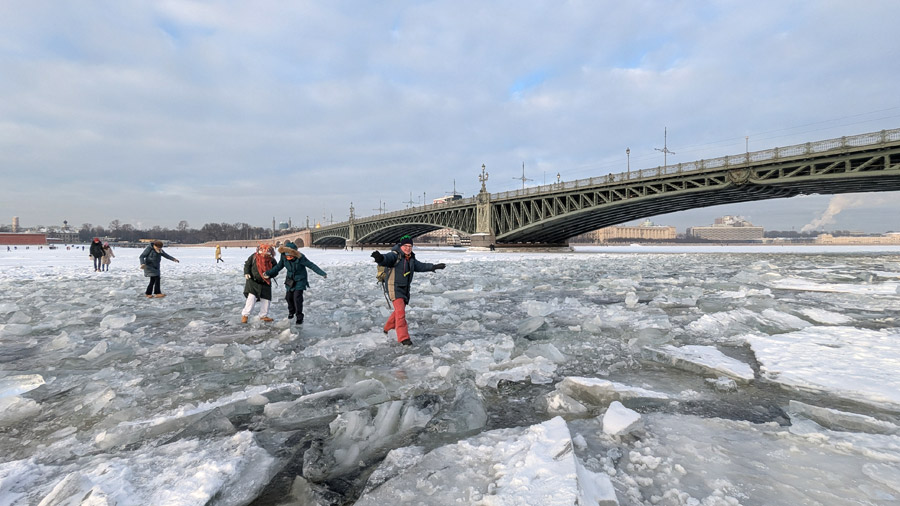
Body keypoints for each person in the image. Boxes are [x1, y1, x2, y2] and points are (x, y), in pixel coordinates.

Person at [371, 235, 445, 346]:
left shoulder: (411, 258)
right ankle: (404, 338)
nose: (408, 248)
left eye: (410, 246)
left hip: (405, 288)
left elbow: (420, 266)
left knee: (398, 311)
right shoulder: (395, 255)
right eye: (405, 246)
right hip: (394, 287)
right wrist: (380, 258)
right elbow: (386, 259)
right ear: (401, 246)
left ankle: (387, 329)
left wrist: (433, 267)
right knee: (400, 312)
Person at [265, 241, 326, 324]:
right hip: (290, 280)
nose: (288, 257)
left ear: (294, 254)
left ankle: (299, 317)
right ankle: (291, 312)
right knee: (288, 297)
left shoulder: (301, 258)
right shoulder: (283, 257)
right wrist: (268, 273)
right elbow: (278, 267)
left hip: (300, 279)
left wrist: (322, 273)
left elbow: (311, 265)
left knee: (297, 298)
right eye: (286, 255)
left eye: (290, 255)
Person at [241, 244, 276, 323]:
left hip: (266, 283)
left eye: (267, 251)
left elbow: (275, 269)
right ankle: (245, 315)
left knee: (266, 300)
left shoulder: (271, 260)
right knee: (251, 299)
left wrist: (270, 274)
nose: (265, 252)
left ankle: (263, 316)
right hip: (253, 282)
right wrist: (246, 273)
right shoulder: (254, 257)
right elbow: (247, 265)